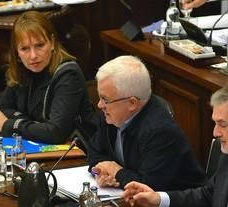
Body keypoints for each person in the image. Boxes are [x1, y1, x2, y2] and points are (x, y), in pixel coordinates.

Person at [87, 56, 205, 191]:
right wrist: (101, 171)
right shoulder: (111, 114)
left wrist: (117, 172)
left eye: (105, 99)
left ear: (132, 103)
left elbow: (149, 187)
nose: (100, 105)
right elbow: (94, 151)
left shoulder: (160, 131)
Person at [0, 11, 96, 144]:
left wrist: (9, 125)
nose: (33, 55)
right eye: (25, 49)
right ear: (16, 52)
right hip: (37, 146)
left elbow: (55, 133)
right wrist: (31, 125)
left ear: (52, 43)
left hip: (76, 152)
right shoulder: (21, 69)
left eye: (39, 45)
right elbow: (5, 109)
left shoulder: (68, 74)